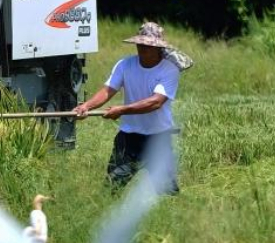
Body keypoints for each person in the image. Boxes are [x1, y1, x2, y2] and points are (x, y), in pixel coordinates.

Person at [72, 21, 192, 191]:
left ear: (158, 48)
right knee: (111, 188)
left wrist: (121, 110)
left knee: (167, 192)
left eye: (147, 46)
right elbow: (108, 90)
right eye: (140, 44)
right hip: (129, 138)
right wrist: (86, 106)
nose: (142, 48)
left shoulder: (169, 70)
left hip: (158, 140)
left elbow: (156, 102)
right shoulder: (125, 65)